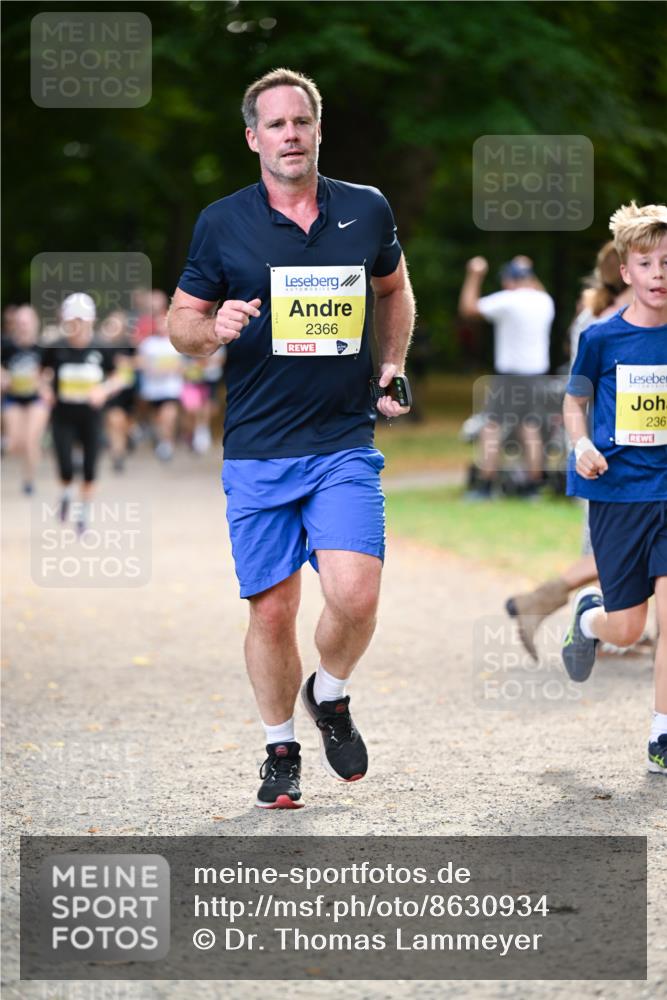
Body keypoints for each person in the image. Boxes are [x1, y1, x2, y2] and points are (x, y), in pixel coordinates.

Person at [168, 68, 415, 809]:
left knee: (355, 593)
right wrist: (212, 330)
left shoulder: (365, 210)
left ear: (316, 129)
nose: (289, 134)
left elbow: (393, 289)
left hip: (341, 438)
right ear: (253, 138)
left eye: (300, 121)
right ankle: (280, 749)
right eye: (274, 124)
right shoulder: (222, 222)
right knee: (271, 611)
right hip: (258, 447)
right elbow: (182, 322)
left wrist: (392, 365)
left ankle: (329, 694)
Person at [561, 201, 667, 775]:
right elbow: (574, 402)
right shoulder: (602, 340)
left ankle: (663, 733)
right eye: (647, 263)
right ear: (626, 271)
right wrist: (582, 446)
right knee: (626, 628)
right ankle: (588, 620)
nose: (659, 274)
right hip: (619, 493)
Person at [506, 242, 634, 659]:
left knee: (610, 544)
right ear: (630, 270)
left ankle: (608, 624)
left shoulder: (593, 309)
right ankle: (581, 616)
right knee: (618, 544)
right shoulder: (626, 313)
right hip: (612, 442)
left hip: (596, 438)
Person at [459, 255, 555, 499]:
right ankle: (533, 488)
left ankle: (484, 487)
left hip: (509, 377)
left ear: (511, 280)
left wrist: (475, 274)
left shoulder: (508, 300)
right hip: (537, 376)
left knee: (491, 428)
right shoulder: (545, 300)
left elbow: (468, 308)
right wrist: (527, 269)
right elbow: (535, 285)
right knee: (530, 429)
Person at [42, 293, 124, 533]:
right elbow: (41, 374)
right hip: (63, 415)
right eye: (72, 320)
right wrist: (46, 390)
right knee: (66, 466)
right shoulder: (56, 347)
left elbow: (119, 377)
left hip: (90, 416)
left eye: (81, 320)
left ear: (90, 320)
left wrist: (104, 390)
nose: (76, 326)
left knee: (89, 468)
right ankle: (67, 492)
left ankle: (83, 514)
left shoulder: (102, 347)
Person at [1, 304, 51, 493]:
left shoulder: (43, 347)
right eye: (20, 322)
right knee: (15, 442)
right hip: (13, 397)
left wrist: (42, 379)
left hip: (36, 398)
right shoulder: (6, 345)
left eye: (27, 322)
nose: (23, 326)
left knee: (31, 439)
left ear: (35, 324)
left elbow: (51, 370)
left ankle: (29, 479)